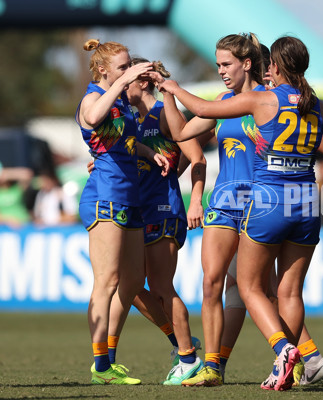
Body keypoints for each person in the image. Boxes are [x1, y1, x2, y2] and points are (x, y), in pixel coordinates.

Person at [157, 35, 323, 391]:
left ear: (263, 65)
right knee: (255, 288)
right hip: (294, 200)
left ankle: (286, 355)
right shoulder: (312, 104)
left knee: (251, 288)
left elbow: (201, 110)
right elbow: (183, 132)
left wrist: (173, 86)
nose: (221, 71)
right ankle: (261, 361)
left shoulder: (258, 100)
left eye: (226, 64)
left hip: (265, 202)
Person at [76, 39, 158, 385]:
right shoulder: (93, 98)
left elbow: (120, 142)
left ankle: (107, 358)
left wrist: (148, 153)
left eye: (128, 66)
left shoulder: (121, 103)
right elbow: (93, 118)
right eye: (122, 67)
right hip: (105, 198)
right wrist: (123, 83)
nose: (128, 72)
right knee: (106, 281)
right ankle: (101, 364)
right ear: (102, 70)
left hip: (130, 196)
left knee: (133, 280)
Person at [125, 56, 207, 385]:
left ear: (143, 81)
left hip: (163, 210)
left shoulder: (163, 114)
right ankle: (181, 344)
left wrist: (195, 200)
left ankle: (187, 358)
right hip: (137, 212)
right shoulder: (130, 118)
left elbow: (197, 157)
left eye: (127, 77)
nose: (122, 84)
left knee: (160, 286)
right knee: (125, 285)